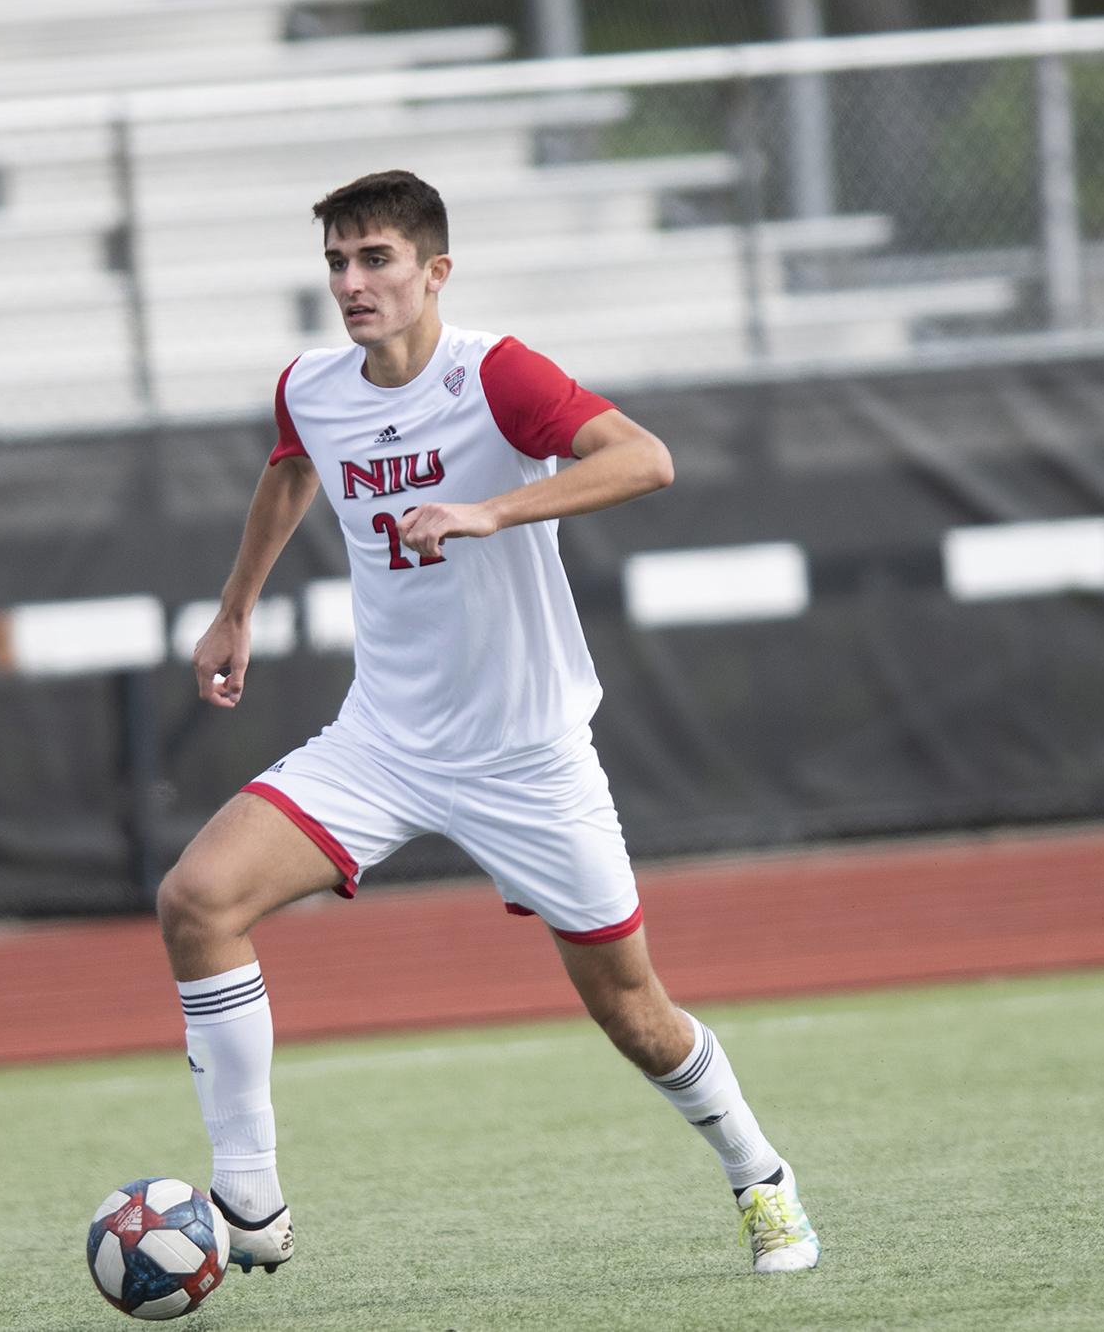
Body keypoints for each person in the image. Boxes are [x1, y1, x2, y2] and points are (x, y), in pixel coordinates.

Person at [158, 169, 819, 1278]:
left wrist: (486, 509)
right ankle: (250, 1201)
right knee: (196, 899)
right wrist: (234, 611)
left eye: (375, 260)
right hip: (383, 741)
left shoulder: (494, 373)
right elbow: (289, 474)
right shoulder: (311, 389)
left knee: (633, 1012)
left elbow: (642, 459)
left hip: (528, 755)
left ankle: (759, 1176)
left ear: (434, 272)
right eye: (335, 261)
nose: (351, 283)